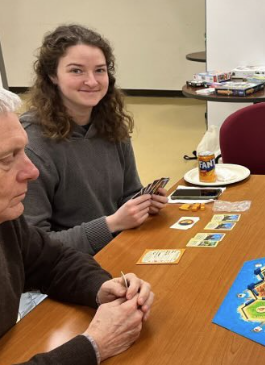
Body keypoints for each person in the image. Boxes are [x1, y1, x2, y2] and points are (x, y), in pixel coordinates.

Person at [0, 80, 154, 365]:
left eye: (23, 151)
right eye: (8, 157)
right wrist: (93, 346)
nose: (32, 171)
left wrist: (101, 288)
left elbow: (53, 261)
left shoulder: (0, 220)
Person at [21, 24, 167, 256]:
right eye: (77, 71)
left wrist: (143, 203)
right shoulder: (31, 144)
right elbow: (33, 247)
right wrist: (112, 224)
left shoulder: (111, 124)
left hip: (117, 246)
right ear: (52, 76)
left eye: (99, 70)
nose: (92, 81)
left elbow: (129, 192)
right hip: (65, 267)